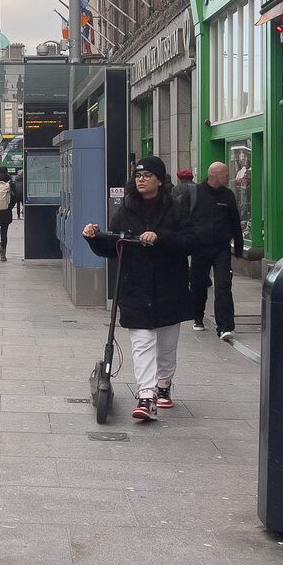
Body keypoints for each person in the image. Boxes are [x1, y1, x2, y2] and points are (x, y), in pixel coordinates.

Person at [83, 155, 193, 420]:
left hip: (169, 286)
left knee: (166, 345)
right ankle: (146, 395)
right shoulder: (125, 209)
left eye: (147, 176)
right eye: (138, 176)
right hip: (135, 287)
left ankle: (163, 384)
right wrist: (94, 238)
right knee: (142, 342)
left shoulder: (175, 208)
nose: (141, 180)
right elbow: (114, 247)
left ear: (159, 180)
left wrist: (160, 238)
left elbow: (190, 242)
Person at [186, 161, 244, 339]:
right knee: (199, 284)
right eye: (226, 173)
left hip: (221, 248)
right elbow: (185, 220)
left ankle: (225, 326)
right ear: (215, 175)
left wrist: (239, 248)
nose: (228, 176)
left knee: (223, 285)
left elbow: (235, 221)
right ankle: (198, 316)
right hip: (200, 247)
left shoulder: (228, 196)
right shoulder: (196, 193)